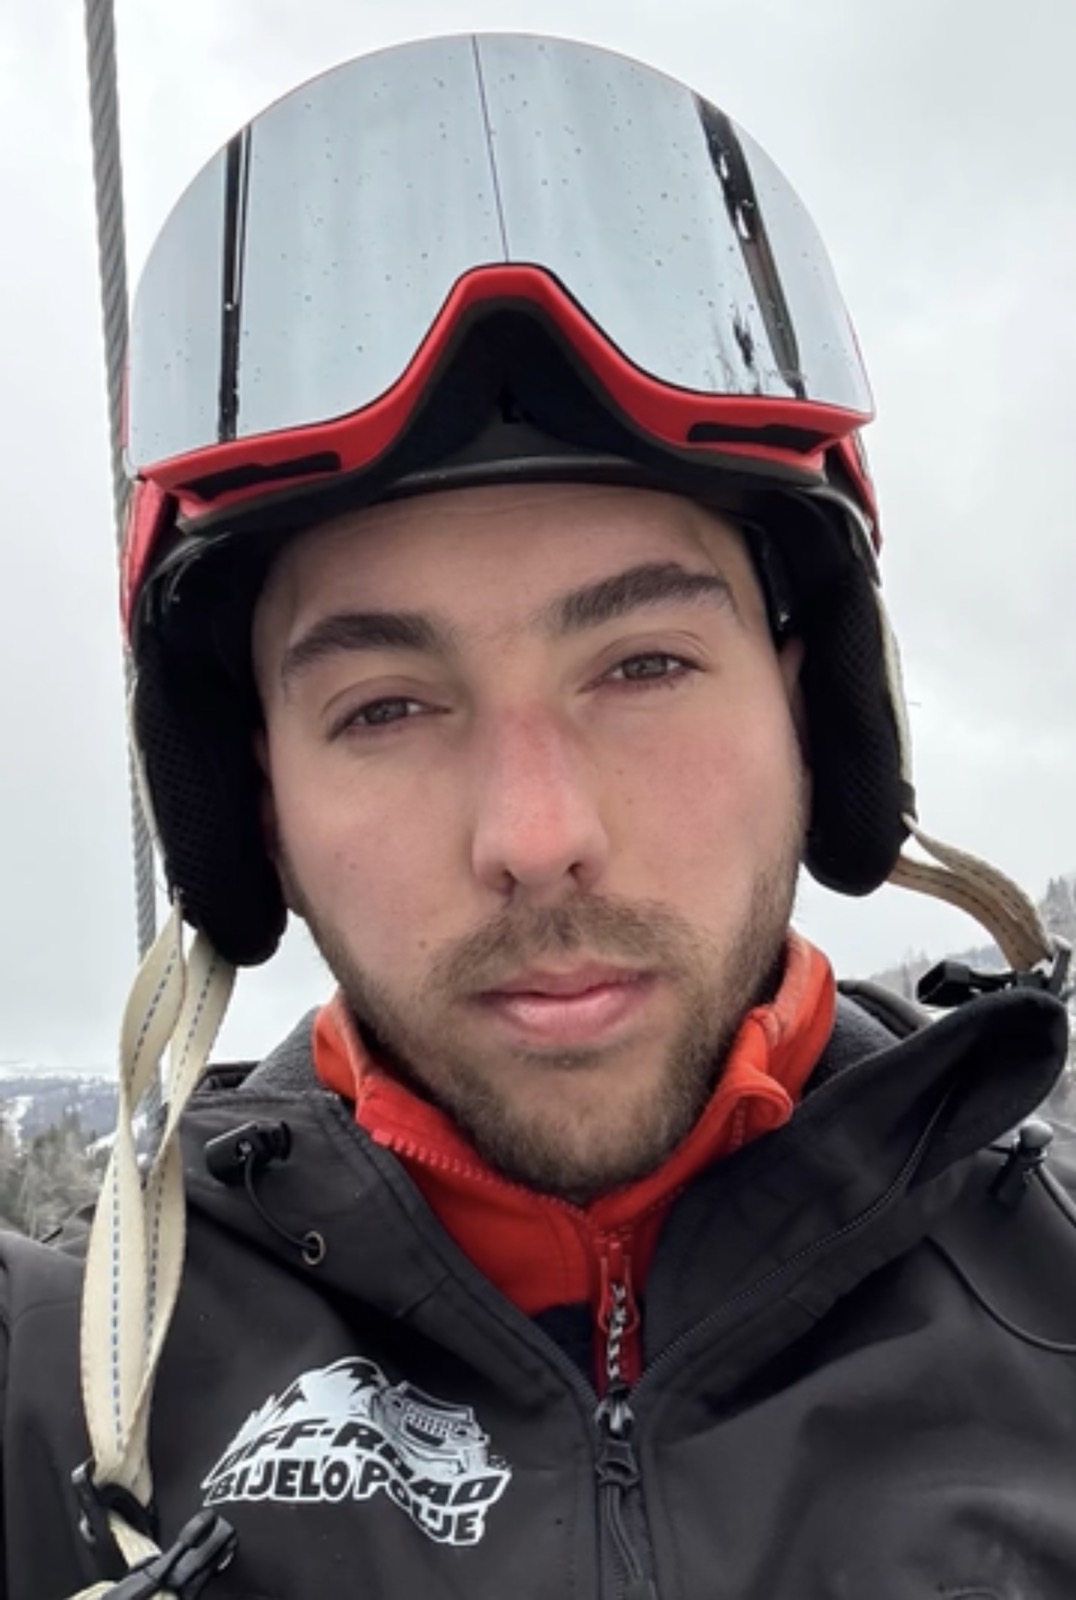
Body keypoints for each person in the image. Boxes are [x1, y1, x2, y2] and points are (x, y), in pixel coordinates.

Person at [3, 32, 1075, 1600]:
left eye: (644, 666)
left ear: (812, 717)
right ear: (254, 803)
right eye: (386, 707)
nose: (534, 833)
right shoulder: (61, 1381)